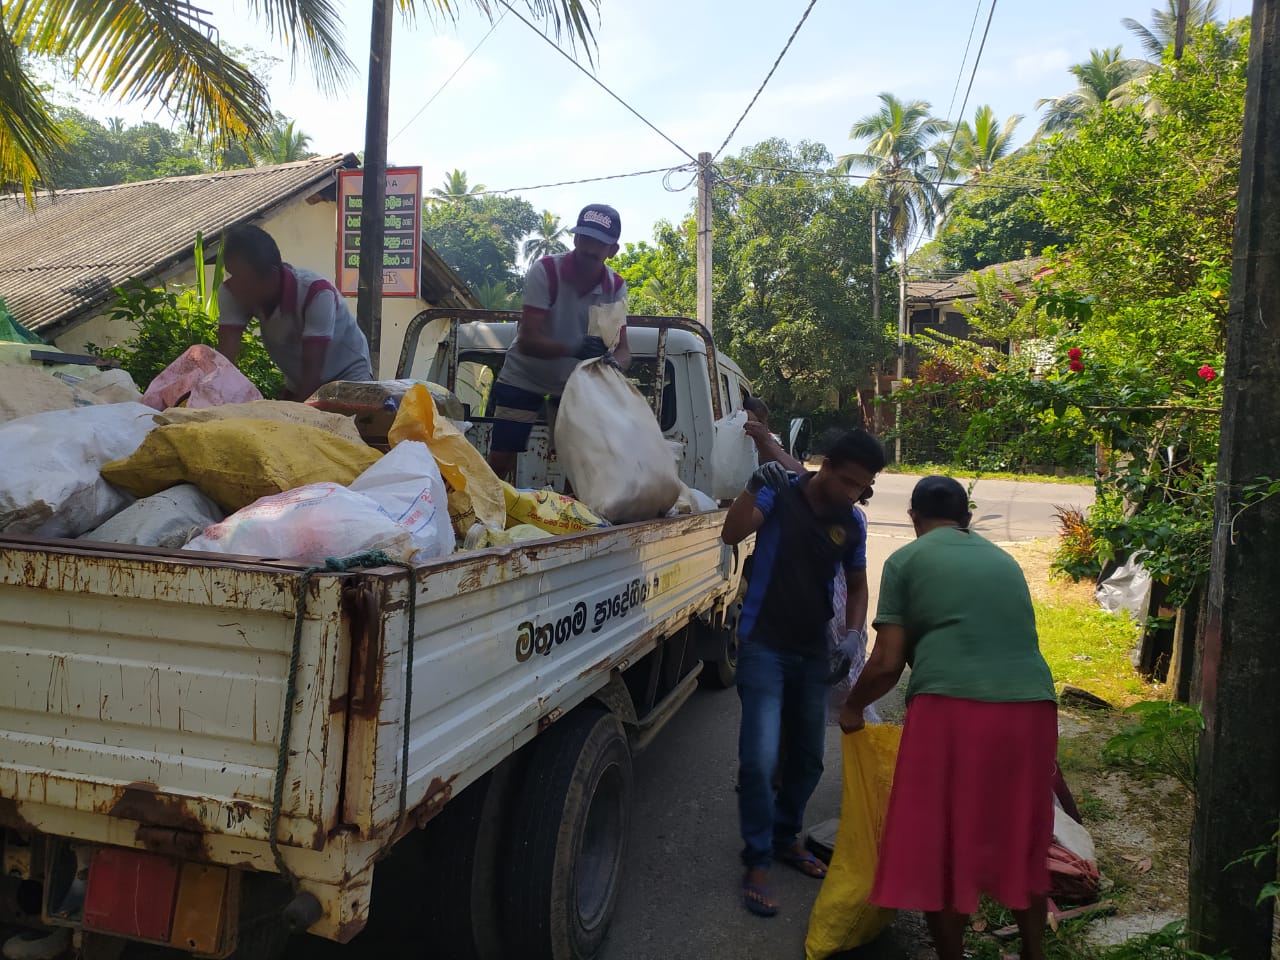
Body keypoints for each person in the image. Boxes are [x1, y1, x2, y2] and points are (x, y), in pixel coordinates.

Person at [839, 476, 1058, 960]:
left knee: (943, 840)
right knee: (1022, 833)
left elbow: (887, 662)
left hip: (951, 709)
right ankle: (1034, 953)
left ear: (914, 518)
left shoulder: (906, 559)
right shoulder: (1004, 560)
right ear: (967, 519)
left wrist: (852, 707)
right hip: (1033, 709)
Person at [720, 429, 887, 918]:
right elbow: (732, 534)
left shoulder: (851, 523)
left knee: (810, 759)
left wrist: (854, 634)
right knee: (759, 757)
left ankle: (785, 837)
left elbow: (857, 586)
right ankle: (756, 860)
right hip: (763, 646)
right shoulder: (778, 493)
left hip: (814, 651)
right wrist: (751, 486)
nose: (853, 494)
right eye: (849, 482)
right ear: (827, 466)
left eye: (863, 487)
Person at [487, 203, 631, 479]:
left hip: (573, 386)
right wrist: (574, 347)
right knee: (501, 459)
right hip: (523, 376)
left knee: (581, 468)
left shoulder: (615, 287)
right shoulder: (545, 272)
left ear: (612, 250)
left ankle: (580, 521)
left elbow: (624, 351)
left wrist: (614, 364)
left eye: (599, 243)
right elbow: (528, 340)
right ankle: (483, 516)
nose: (590, 249)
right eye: (585, 239)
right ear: (575, 239)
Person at [214, 225, 372, 401]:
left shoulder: (317, 294)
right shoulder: (234, 292)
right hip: (299, 381)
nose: (235, 287)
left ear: (271, 276)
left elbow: (313, 375)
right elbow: (225, 363)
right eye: (232, 275)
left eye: (245, 281)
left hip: (348, 377)